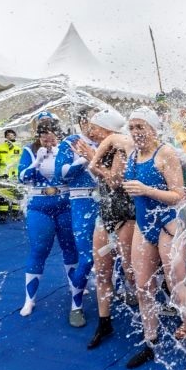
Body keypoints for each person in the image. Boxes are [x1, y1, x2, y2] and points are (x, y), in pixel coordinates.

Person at [122, 106, 186, 369]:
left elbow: (179, 195)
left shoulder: (164, 153)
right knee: (142, 286)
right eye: (131, 127)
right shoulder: (131, 154)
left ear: (153, 129)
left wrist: (145, 190)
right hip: (144, 226)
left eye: (140, 126)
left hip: (168, 225)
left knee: (177, 287)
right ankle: (150, 341)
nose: (135, 132)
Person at [56, 108, 126, 328]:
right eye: (91, 122)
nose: (93, 128)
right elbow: (61, 174)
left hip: (109, 202)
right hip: (82, 202)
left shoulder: (114, 142)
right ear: (83, 122)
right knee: (87, 258)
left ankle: (122, 291)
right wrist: (83, 160)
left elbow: (117, 177)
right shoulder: (71, 142)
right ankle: (76, 305)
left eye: (97, 123)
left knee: (119, 253)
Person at [17, 121, 79, 320]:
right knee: (39, 249)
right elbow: (22, 178)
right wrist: (36, 162)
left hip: (65, 204)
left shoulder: (66, 148)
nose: (48, 140)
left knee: (70, 247)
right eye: (44, 136)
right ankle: (29, 299)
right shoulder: (30, 150)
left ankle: (75, 286)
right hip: (39, 206)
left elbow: (75, 174)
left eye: (51, 136)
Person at [86, 124, 137, 349]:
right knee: (102, 272)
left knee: (131, 273)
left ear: (109, 130)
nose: (91, 133)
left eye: (96, 129)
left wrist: (92, 160)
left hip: (126, 216)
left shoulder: (122, 148)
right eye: (89, 130)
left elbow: (115, 182)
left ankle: (150, 317)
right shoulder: (102, 150)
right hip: (104, 216)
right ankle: (104, 321)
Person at [0, 129, 22, 222]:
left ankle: (15, 214)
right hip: (3, 174)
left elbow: (23, 161)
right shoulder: (0, 148)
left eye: (12, 135)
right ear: (5, 136)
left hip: (16, 175)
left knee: (16, 195)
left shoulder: (20, 147)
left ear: (15, 136)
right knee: (3, 195)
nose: (10, 136)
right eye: (8, 135)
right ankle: (3, 215)